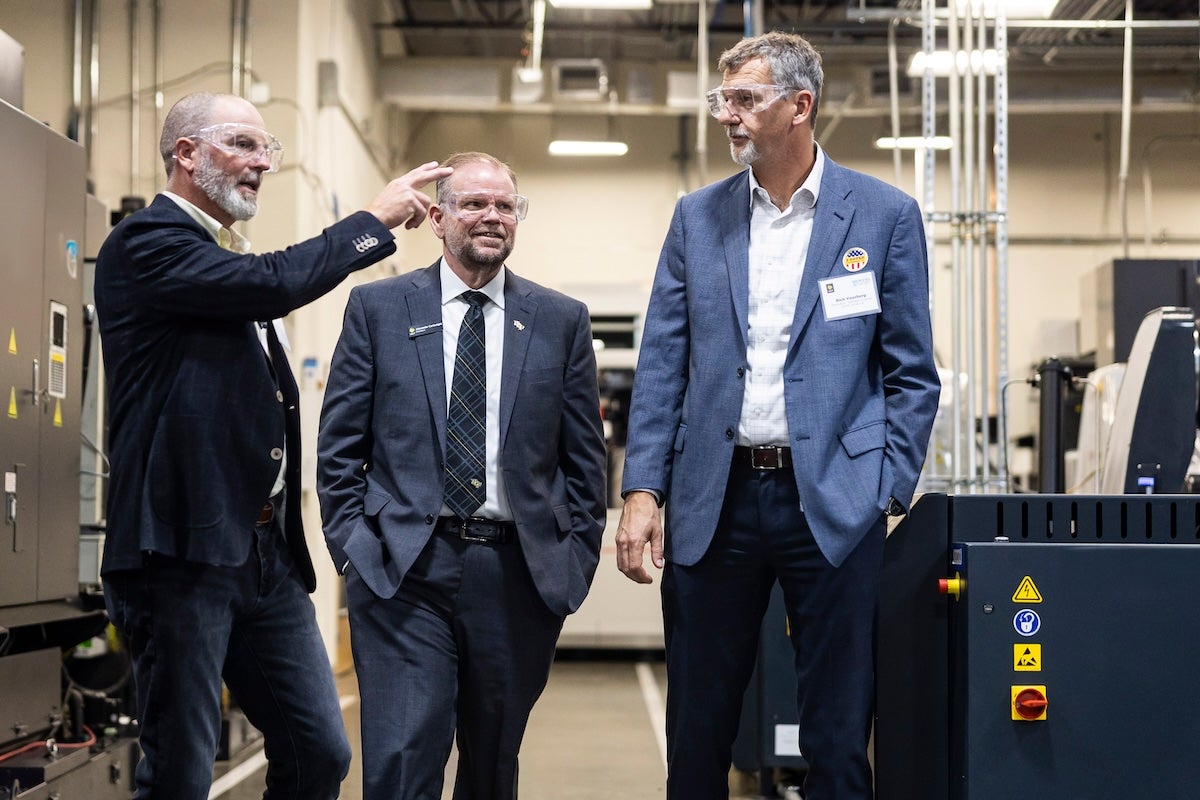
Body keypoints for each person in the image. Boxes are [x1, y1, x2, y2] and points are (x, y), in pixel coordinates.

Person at [95, 91, 452, 800]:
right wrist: (370, 222)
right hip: (181, 552)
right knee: (180, 771)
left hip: (264, 555)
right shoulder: (147, 242)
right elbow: (275, 284)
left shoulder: (224, 254)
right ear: (186, 154)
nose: (262, 162)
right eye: (242, 144)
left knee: (318, 750)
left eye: (268, 149)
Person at [616, 32, 941, 800]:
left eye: (744, 99)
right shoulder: (697, 218)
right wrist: (642, 490)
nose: (726, 116)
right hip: (714, 501)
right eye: (721, 99)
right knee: (698, 727)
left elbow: (911, 371)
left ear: (801, 106)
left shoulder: (884, 216)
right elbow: (664, 364)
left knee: (835, 730)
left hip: (831, 500)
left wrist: (885, 488)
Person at [317, 151, 607, 799]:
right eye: (475, 203)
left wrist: (574, 560)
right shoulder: (378, 308)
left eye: (506, 205)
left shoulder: (561, 321)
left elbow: (585, 461)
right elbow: (338, 449)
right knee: (399, 762)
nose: (492, 217)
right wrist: (355, 551)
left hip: (516, 577)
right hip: (404, 573)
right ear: (436, 217)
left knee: (491, 769)